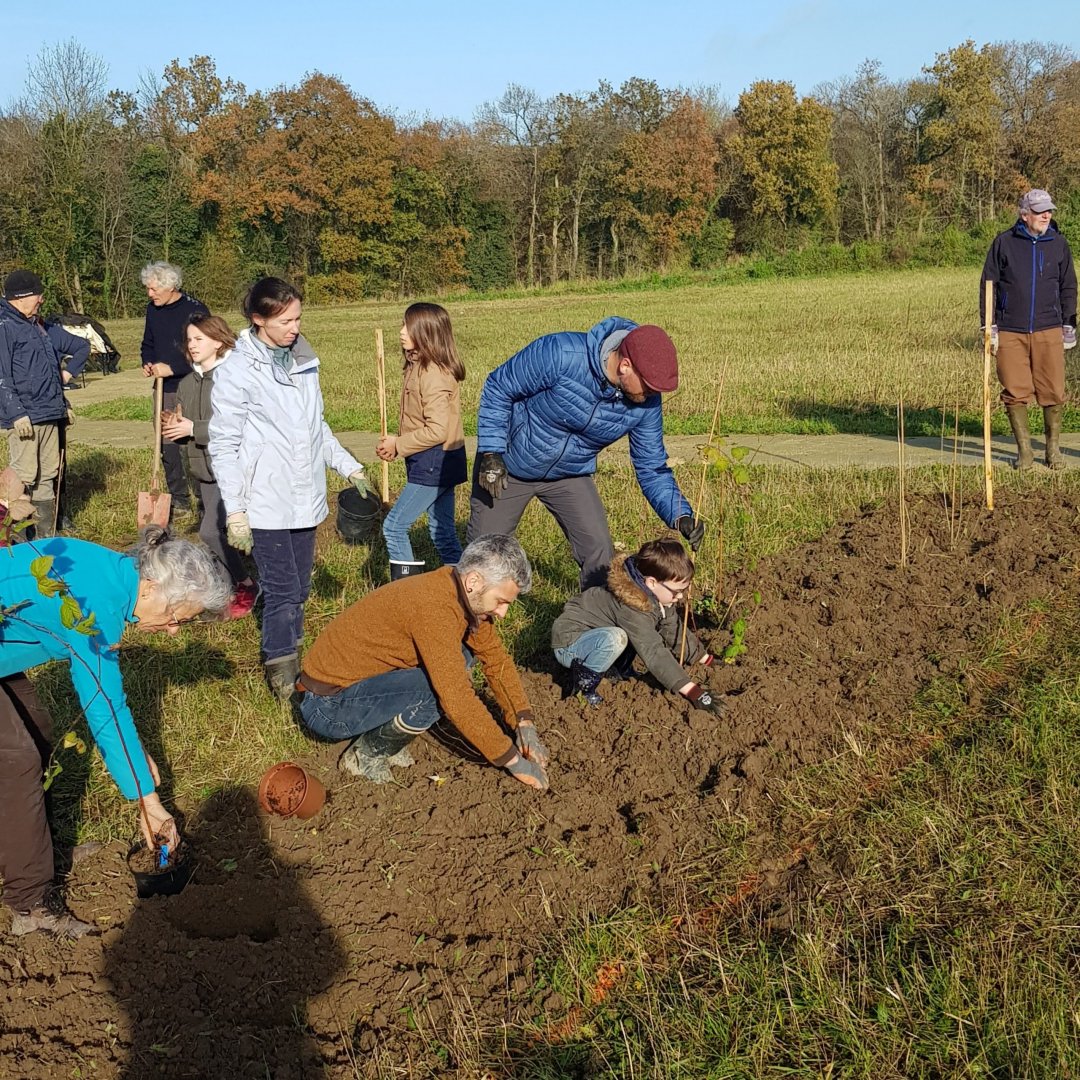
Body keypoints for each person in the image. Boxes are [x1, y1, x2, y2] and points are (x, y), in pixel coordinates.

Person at [0, 526, 231, 938]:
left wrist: (136, 757)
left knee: (37, 731)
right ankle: (30, 904)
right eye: (178, 617)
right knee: (17, 759)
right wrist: (148, 800)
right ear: (153, 588)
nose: (174, 629)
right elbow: (103, 704)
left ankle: (32, 852)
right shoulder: (98, 603)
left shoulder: (112, 572)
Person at [208, 277, 370, 700]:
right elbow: (224, 445)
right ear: (258, 319)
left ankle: (291, 646)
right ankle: (281, 665)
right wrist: (237, 511)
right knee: (281, 590)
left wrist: (349, 467)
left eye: (298, 317)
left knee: (299, 587)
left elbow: (316, 427)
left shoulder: (303, 359)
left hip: (304, 493)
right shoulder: (237, 371)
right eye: (284, 320)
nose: (294, 327)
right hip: (264, 498)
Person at [296, 534, 549, 790]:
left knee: (462, 656)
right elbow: (457, 699)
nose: (503, 614)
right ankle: (366, 755)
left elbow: (494, 658)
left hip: (354, 687)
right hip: (328, 707)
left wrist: (522, 721)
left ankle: (384, 736)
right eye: (501, 601)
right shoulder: (434, 608)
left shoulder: (457, 591)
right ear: (474, 581)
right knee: (439, 690)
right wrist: (513, 761)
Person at [468, 318, 705, 590]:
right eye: (649, 386)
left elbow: (650, 465)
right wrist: (491, 452)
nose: (653, 395)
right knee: (482, 556)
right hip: (510, 464)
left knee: (601, 556)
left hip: (570, 473)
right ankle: (471, 623)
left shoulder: (646, 403)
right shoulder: (560, 353)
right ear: (625, 366)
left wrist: (680, 515)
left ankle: (592, 623)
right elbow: (500, 386)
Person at [551, 537, 726, 715]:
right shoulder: (632, 608)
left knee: (623, 636)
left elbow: (673, 628)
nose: (680, 597)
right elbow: (653, 651)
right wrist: (692, 691)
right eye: (677, 591)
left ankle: (619, 669)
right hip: (571, 643)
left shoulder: (658, 595)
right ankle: (584, 685)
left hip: (597, 636)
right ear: (651, 582)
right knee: (616, 638)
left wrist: (704, 659)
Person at [161, 314, 259, 619]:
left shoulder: (231, 377)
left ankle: (246, 584)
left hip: (230, 469)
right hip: (203, 470)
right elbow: (186, 424)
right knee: (218, 532)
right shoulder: (188, 383)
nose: (192, 345)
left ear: (219, 341)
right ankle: (229, 588)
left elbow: (241, 424)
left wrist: (194, 429)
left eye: (199, 339)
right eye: (189, 340)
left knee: (210, 533)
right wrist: (175, 427)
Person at [980, 189, 1077, 470]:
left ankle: (1053, 451)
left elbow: (1068, 286)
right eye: (1039, 211)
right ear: (1025, 214)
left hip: (1049, 328)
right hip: (1011, 329)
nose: (1046, 215)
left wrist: (1069, 323)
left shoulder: (1058, 244)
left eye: (1049, 211)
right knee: (1014, 388)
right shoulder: (1004, 243)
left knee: (1054, 389)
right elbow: (989, 285)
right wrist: (989, 326)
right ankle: (1025, 452)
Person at [376, 303, 467, 578]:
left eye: (408, 327)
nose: (401, 332)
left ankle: (407, 596)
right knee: (442, 531)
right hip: (435, 458)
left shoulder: (432, 374)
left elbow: (438, 430)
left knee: (394, 527)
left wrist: (398, 445)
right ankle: (465, 587)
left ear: (426, 332)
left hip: (435, 460)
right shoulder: (417, 366)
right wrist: (398, 443)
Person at [0, 270, 90, 537]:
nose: (42, 300)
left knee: (48, 475)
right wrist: (17, 414)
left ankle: (45, 538)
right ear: (23, 297)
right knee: (22, 476)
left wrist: (62, 400)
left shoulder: (39, 327)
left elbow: (50, 368)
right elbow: (1, 376)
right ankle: (14, 540)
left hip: (50, 414)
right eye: (38, 294)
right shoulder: (5, 327)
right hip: (26, 417)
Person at [140, 261, 209, 512]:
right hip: (164, 388)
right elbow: (148, 343)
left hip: (192, 384)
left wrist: (173, 367)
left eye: (153, 289)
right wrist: (148, 362)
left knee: (195, 442)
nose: (149, 294)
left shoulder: (195, 310)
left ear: (170, 286)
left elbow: (206, 351)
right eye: (147, 289)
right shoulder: (153, 310)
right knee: (167, 444)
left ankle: (206, 498)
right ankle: (178, 498)